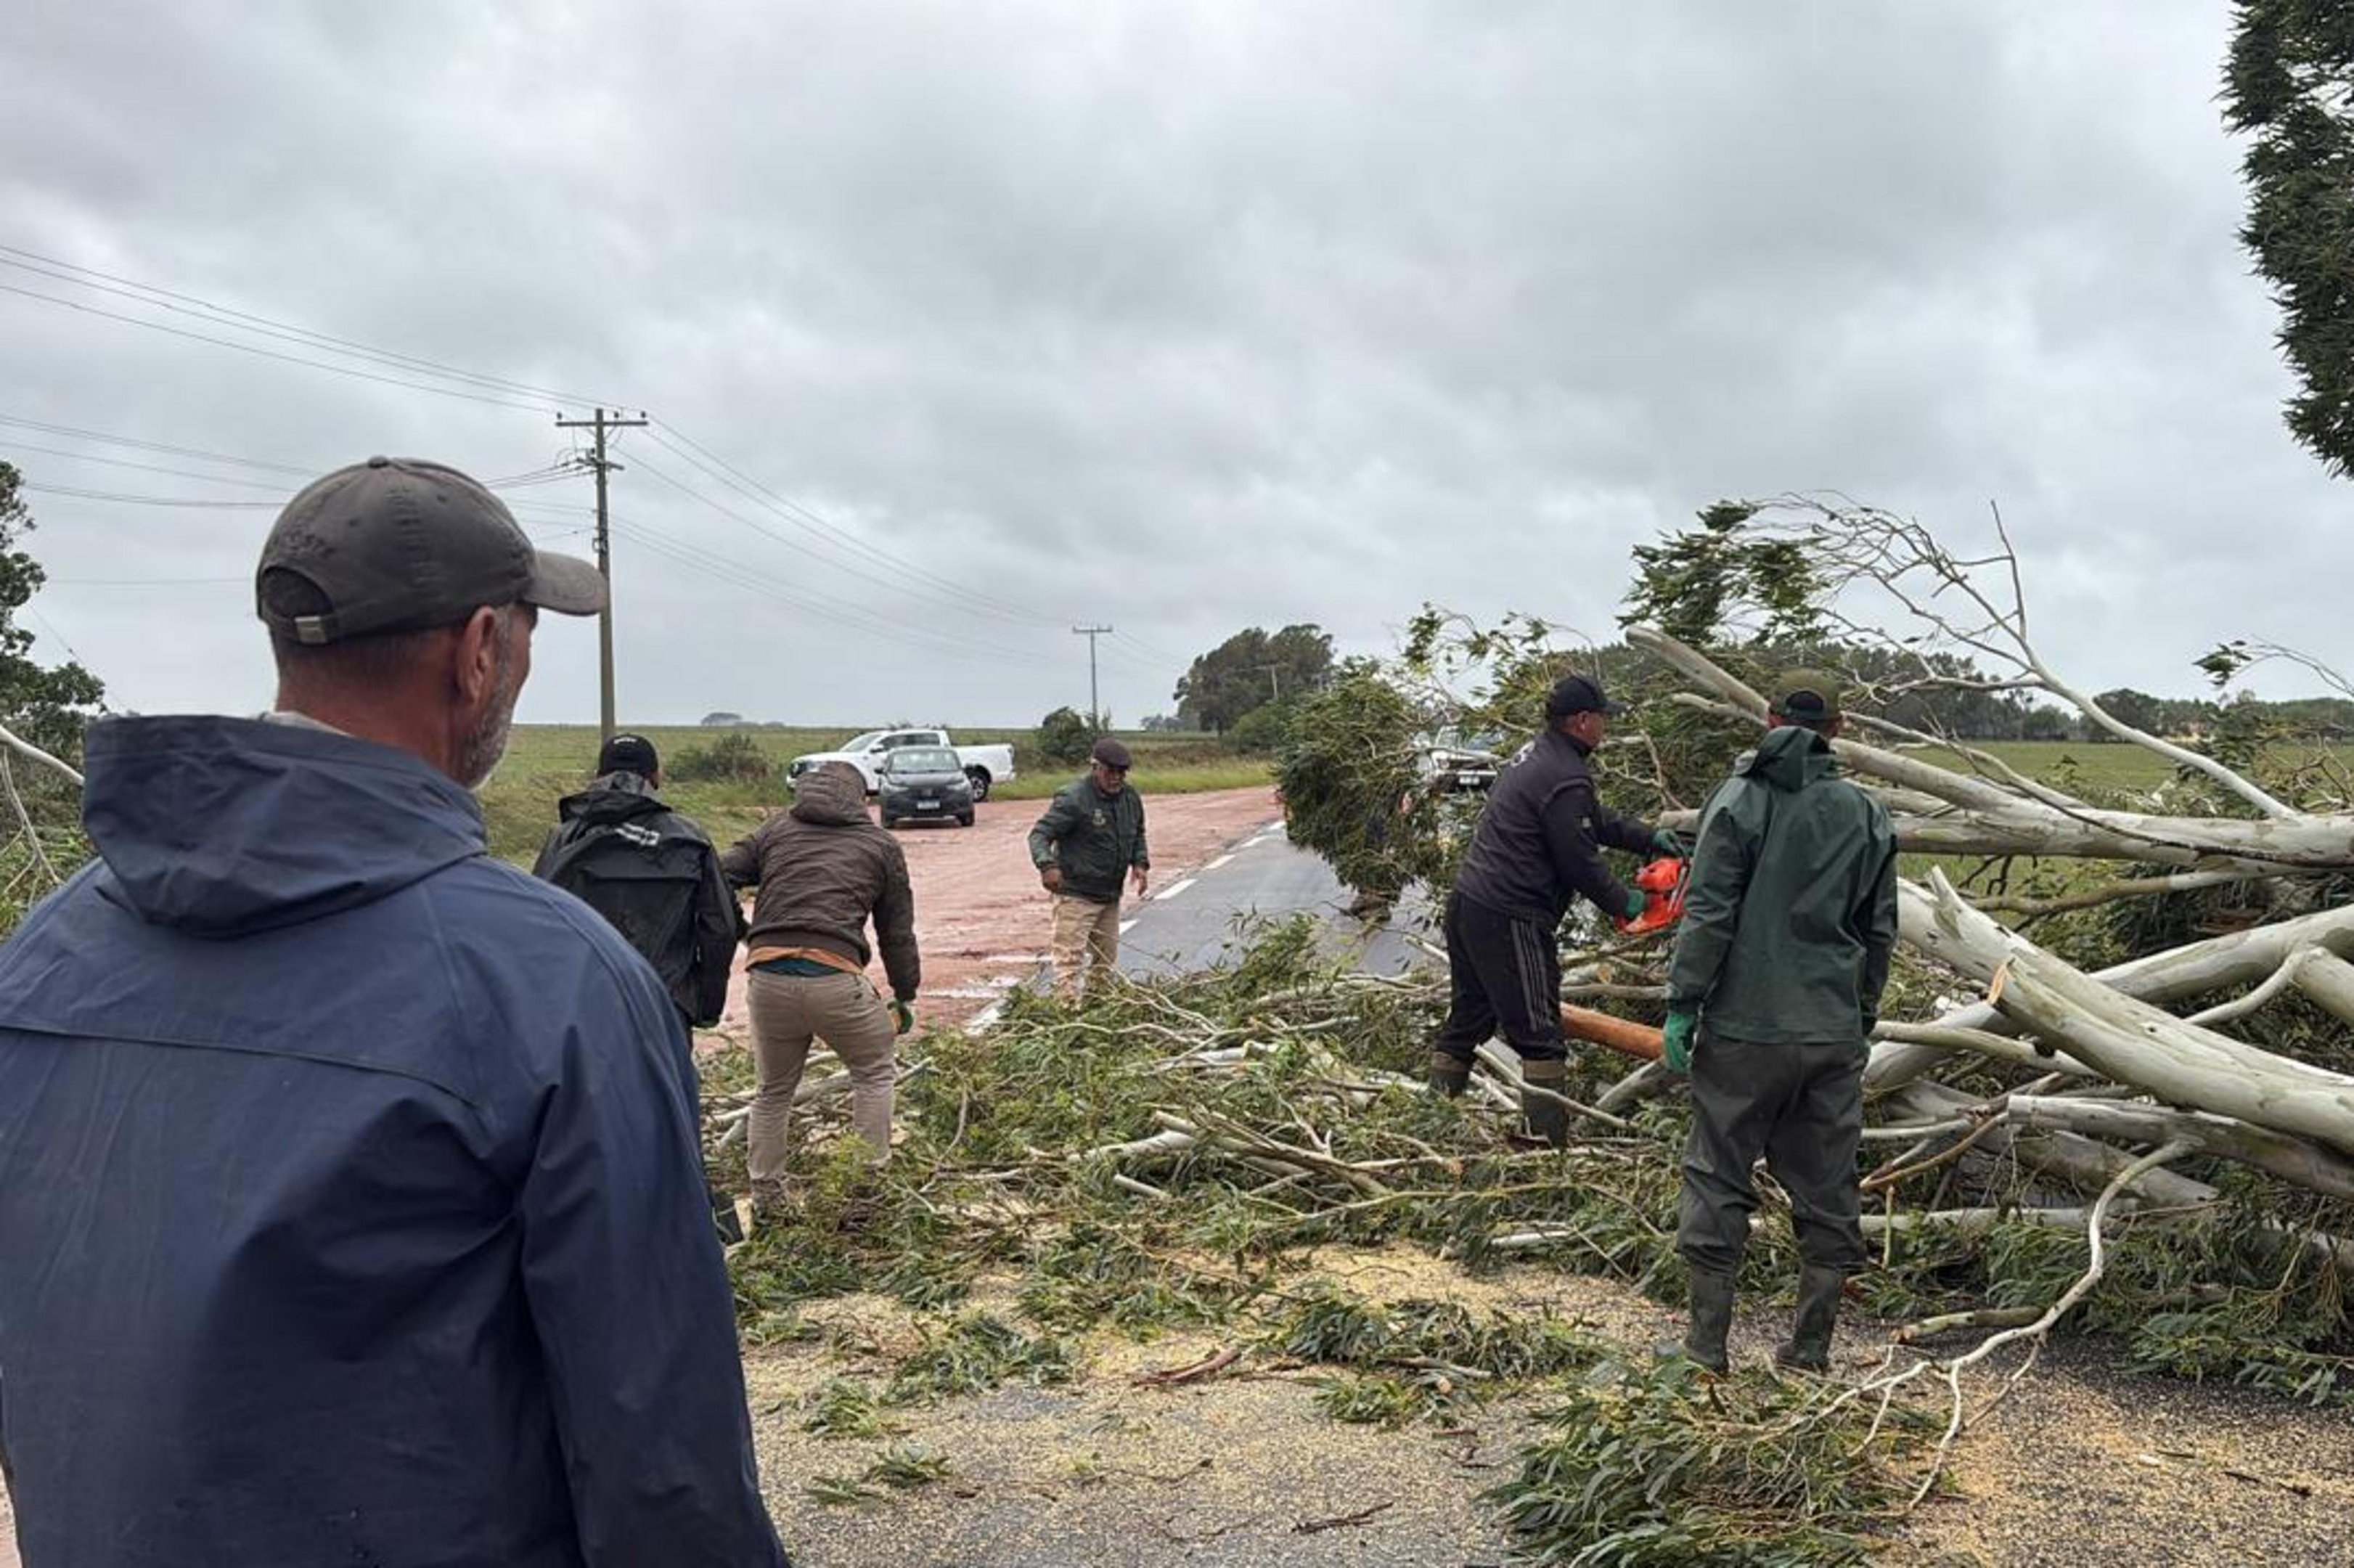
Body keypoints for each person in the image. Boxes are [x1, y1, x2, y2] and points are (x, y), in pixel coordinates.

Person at [0, 456, 790, 1566]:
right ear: (480, 652)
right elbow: (661, 1458)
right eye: (528, 635)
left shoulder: (46, 952)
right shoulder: (553, 985)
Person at [1659, 671, 1899, 1374]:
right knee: (1827, 1184)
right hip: (1830, 1030)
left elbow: (1708, 913)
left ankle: (1705, 1349)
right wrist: (1861, 1013)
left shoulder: (1739, 801)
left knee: (1717, 1175)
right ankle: (1810, 1350)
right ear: (1839, 730)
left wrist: (1683, 1003)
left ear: (1768, 720)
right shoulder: (1866, 815)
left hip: (1745, 1028)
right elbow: (1879, 930)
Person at [1429, 674, 1677, 1146]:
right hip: (1509, 914)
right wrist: (1625, 903)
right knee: (1540, 1034)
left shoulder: (1538, 756)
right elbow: (1577, 859)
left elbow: (1592, 822)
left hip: (1470, 904)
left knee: (1468, 1019)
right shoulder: (1565, 775)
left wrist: (1648, 838)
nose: (1605, 726)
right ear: (1582, 721)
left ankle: (1430, 1121)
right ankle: (1546, 1147)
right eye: (1602, 717)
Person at [722, 759, 919, 1214]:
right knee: (874, 1072)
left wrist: (746, 933)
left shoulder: (775, 830)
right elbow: (896, 932)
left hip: (767, 978)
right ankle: (865, 1193)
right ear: (862, 799)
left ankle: (767, 1199)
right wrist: (904, 992)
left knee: (773, 1091)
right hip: (835, 978)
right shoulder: (880, 845)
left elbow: (715, 875)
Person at [534, 730, 743, 1030]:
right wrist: (705, 1005)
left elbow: (538, 922)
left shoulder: (563, 839)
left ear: (598, 777)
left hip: (582, 1004)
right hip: (664, 1003)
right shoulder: (689, 840)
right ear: (656, 777)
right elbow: (720, 927)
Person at [1029, 735, 1151, 997]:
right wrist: (1047, 865)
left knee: (1104, 964)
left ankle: (1099, 1008)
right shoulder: (1074, 799)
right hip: (1076, 896)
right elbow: (1039, 835)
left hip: (1109, 896)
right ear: (1095, 767)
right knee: (1069, 964)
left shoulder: (1130, 798)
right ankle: (1067, 1013)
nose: (1116, 778)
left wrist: (1140, 863)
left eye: (1122, 772)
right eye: (1110, 771)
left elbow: (1138, 833)